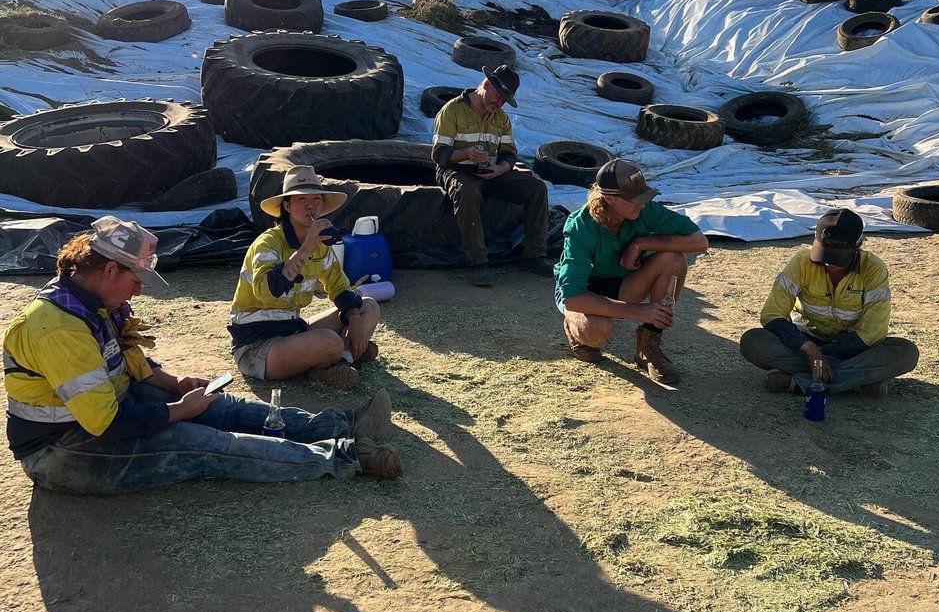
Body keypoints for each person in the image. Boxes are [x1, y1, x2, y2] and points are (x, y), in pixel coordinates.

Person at [2, 216, 401, 495]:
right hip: (62, 450)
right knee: (206, 444)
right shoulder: (58, 328)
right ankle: (344, 456)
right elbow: (108, 423)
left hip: (108, 409)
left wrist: (172, 385)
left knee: (218, 407)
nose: (138, 290)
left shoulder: (88, 303)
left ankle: (338, 423)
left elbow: (124, 359)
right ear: (108, 270)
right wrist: (178, 410)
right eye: (134, 279)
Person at [553, 158, 708, 385]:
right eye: (634, 199)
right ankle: (576, 332)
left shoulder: (646, 211)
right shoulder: (580, 225)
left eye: (643, 196)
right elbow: (573, 297)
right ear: (608, 198)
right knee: (597, 331)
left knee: (674, 260)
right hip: (587, 292)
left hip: (625, 284)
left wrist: (642, 244)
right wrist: (638, 311)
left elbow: (699, 242)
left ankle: (648, 345)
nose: (642, 204)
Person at [229, 166, 381, 390]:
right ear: (287, 206)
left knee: (368, 306)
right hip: (257, 345)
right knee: (330, 341)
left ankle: (343, 359)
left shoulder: (321, 246)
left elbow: (339, 286)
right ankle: (338, 356)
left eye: (316, 199)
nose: (310, 205)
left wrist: (354, 318)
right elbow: (267, 290)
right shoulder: (268, 243)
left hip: (294, 329)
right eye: (301, 199)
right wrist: (305, 248)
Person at [740, 207, 919, 397]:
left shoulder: (873, 269)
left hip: (852, 349)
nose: (829, 263)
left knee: (906, 352)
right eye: (824, 254)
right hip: (803, 343)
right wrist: (810, 350)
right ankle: (854, 383)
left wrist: (823, 355)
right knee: (752, 341)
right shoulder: (801, 262)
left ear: (857, 247)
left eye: (837, 257)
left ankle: (799, 382)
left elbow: (873, 332)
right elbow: (771, 314)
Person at [432, 63, 553, 287]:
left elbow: (509, 153)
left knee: (537, 188)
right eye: (498, 96)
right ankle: (477, 262)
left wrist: (500, 169)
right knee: (466, 192)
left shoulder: (502, 119)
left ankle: (534, 255)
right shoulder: (452, 110)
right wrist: (466, 153)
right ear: (486, 85)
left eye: (504, 100)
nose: (499, 103)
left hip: (492, 171)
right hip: (457, 170)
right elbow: (439, 154)